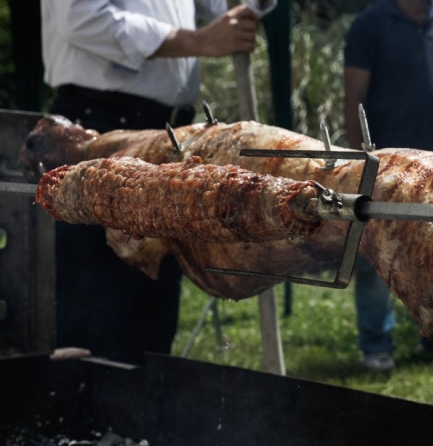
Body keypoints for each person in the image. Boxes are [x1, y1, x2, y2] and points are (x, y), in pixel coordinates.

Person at [40, 0, 276, 366]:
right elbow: (81, 19)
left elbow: (221, 6)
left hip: (167, 130)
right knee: (95, 313)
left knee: (152, 301)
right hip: (100, 124)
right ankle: (83, 416)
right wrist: (200, 42)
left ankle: (143, 413)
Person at [343, 0, 433, 371]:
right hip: (389, 166)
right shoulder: (369, 25)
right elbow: (353, 96)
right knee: (377, 255)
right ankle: (377, 344)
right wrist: (358, 158)